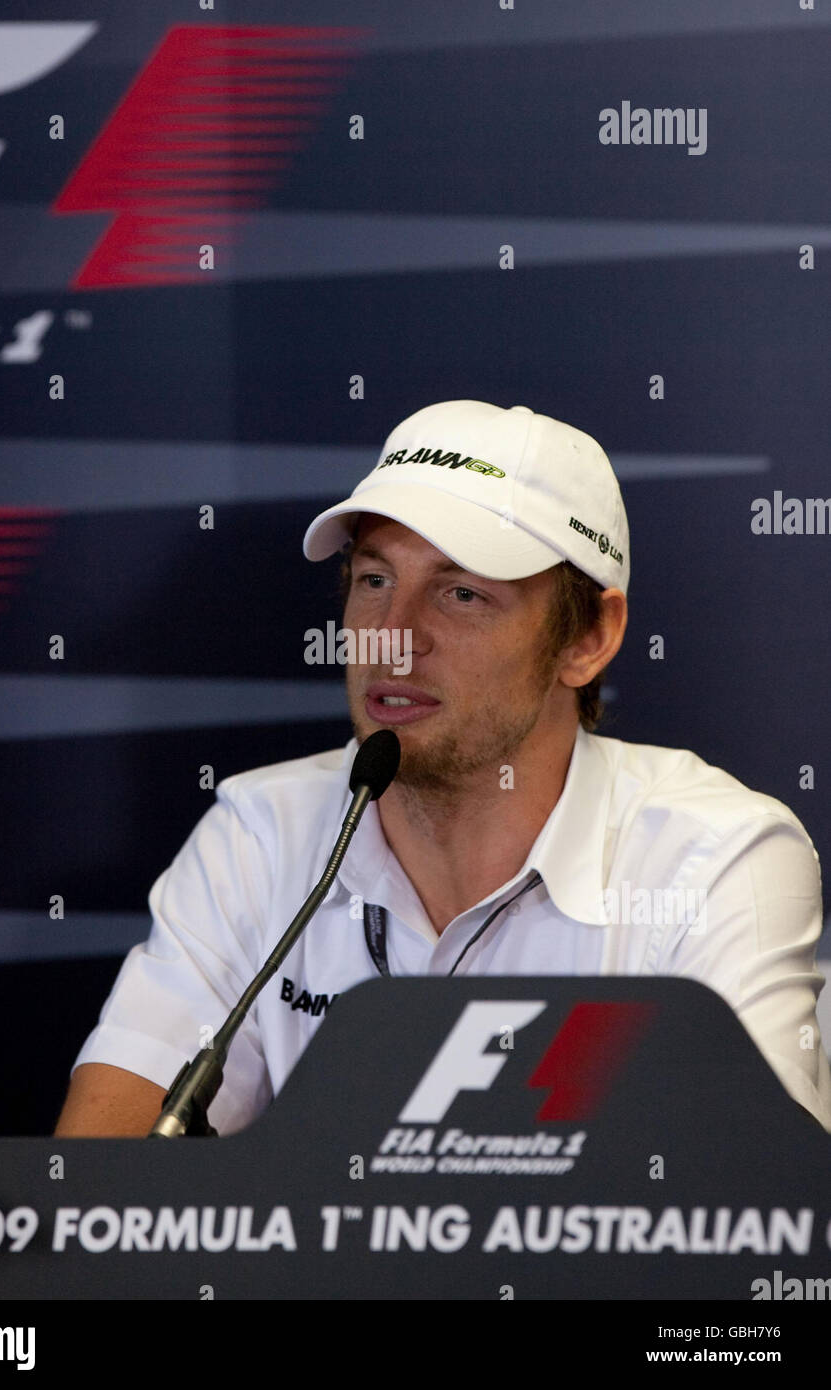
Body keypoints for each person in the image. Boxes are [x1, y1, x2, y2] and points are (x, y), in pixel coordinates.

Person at [54, 400, 831, 1137]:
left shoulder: (712, 857)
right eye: (374, 581)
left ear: (589, 636)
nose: (392, 637)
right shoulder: (259, 835)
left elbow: (749, 1212)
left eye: (460, 592)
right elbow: (103, 1190)